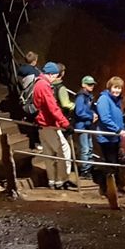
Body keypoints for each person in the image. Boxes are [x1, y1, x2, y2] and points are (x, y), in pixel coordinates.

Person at [33, 62, 75, 190]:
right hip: (48, 124)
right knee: (64, 149)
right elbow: (52, 108)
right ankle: (62, 179)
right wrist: (65, 124)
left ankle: (52, 180)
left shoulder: (37, 83)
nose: (55, 79)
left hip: (41, 124)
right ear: (51, 74)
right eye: (55, 76)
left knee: (49, 153)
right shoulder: (44, 86)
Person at [94, 76, 125, 195]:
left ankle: (114, 187)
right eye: (115, 87)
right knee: (110, 163)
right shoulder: (104, 99)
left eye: (119, 88)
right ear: (109, 87)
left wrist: (121, 129)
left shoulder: (116, 101)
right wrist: (118, 130)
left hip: (114, 137)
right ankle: (108, 189)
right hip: (106, 138)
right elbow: (105, 118)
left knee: (114, 162)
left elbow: (118, 118)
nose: (117, 90)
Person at [73, 76, 97, 179]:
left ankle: (89, 167)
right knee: (85, 148)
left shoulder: (88, 96)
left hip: (87, 125)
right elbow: (79, 112)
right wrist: (91, 116)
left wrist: (93, 114)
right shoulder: (81, 97)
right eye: (89, 84)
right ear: (83, 85)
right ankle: (85, 170)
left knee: (90, 147)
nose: (92, 86)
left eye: (92, 84)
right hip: (82, 126)